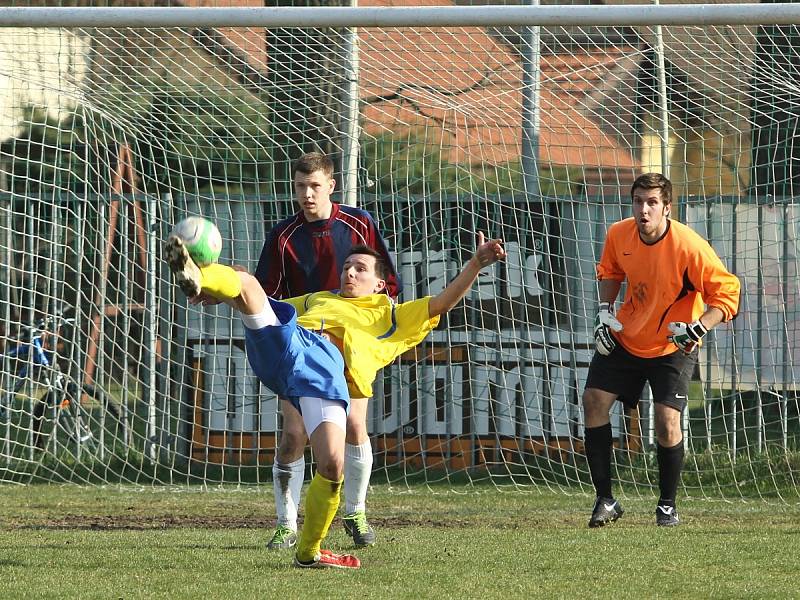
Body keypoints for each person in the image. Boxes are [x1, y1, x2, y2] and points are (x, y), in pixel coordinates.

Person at [165, 229, 505, 569]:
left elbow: (441, 303)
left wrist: (475, 264)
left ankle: (308, 552)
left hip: (326, 376)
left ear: (380, 285)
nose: (349, 272)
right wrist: (213, 288)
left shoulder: (391, 314)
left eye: (359, 268)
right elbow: (258, 300)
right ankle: (197, 276)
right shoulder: (317, 299)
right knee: (246, 281)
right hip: (293, 343)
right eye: (346, 267)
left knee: (332, 465)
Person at [254, 152, 400, 551]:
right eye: (300, 186)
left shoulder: (359, 224)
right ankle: (287, 524)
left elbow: (387, 283)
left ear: (331, 186)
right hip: (302, 348)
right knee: (292, 435)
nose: (306, 194)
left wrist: (370, 328)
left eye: (315, 186)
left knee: (355, 426)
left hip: (349, 344)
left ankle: (355, 511)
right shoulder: (283, 236)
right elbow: (265, 297)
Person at [583, 172, 740, 528]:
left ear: (667, 207)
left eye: (653, 202)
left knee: (667, 424)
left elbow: (727, 293)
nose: (644, 209)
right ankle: (605, 500)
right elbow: (611, 272)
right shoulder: (618, 234)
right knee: (593, 401)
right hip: (626, 337)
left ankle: (667, 505)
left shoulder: (688, 246)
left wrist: (699, 327)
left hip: (674, 343)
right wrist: (604, 314)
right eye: (639, 201)